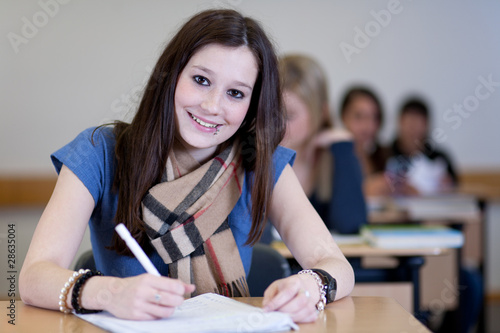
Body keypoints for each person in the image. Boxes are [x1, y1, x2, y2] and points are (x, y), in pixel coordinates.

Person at [19, 9, 354, 323]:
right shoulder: (100, 152)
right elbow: (34, 277)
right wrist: (110, 293)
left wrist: (313, 284)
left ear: (252, 105)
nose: (212, 106)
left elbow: (336, 264)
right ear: (171, 76)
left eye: (236, 93)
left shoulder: (261, 162)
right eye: (201, 80)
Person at [278, 54, 366, 234]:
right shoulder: (255, 159)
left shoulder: (335, 158)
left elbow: (351, 224)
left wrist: (342, 149)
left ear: (322, 112)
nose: (277, 124)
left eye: (289, 116)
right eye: (271, 112)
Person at [387, 98, 458, 195]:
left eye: (418, 122)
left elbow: (455, 190)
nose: (412, 127)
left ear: (427, 125)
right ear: (399, 122)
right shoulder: (384, 154)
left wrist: (448, 187)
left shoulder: (439, 159)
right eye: (409, 121)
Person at [340, 86, 391, 197]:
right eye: (359, 116)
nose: (367, 125)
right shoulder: (332, 157)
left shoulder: (383, 155)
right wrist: (366, 190)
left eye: (373, 117)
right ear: (343, 116)